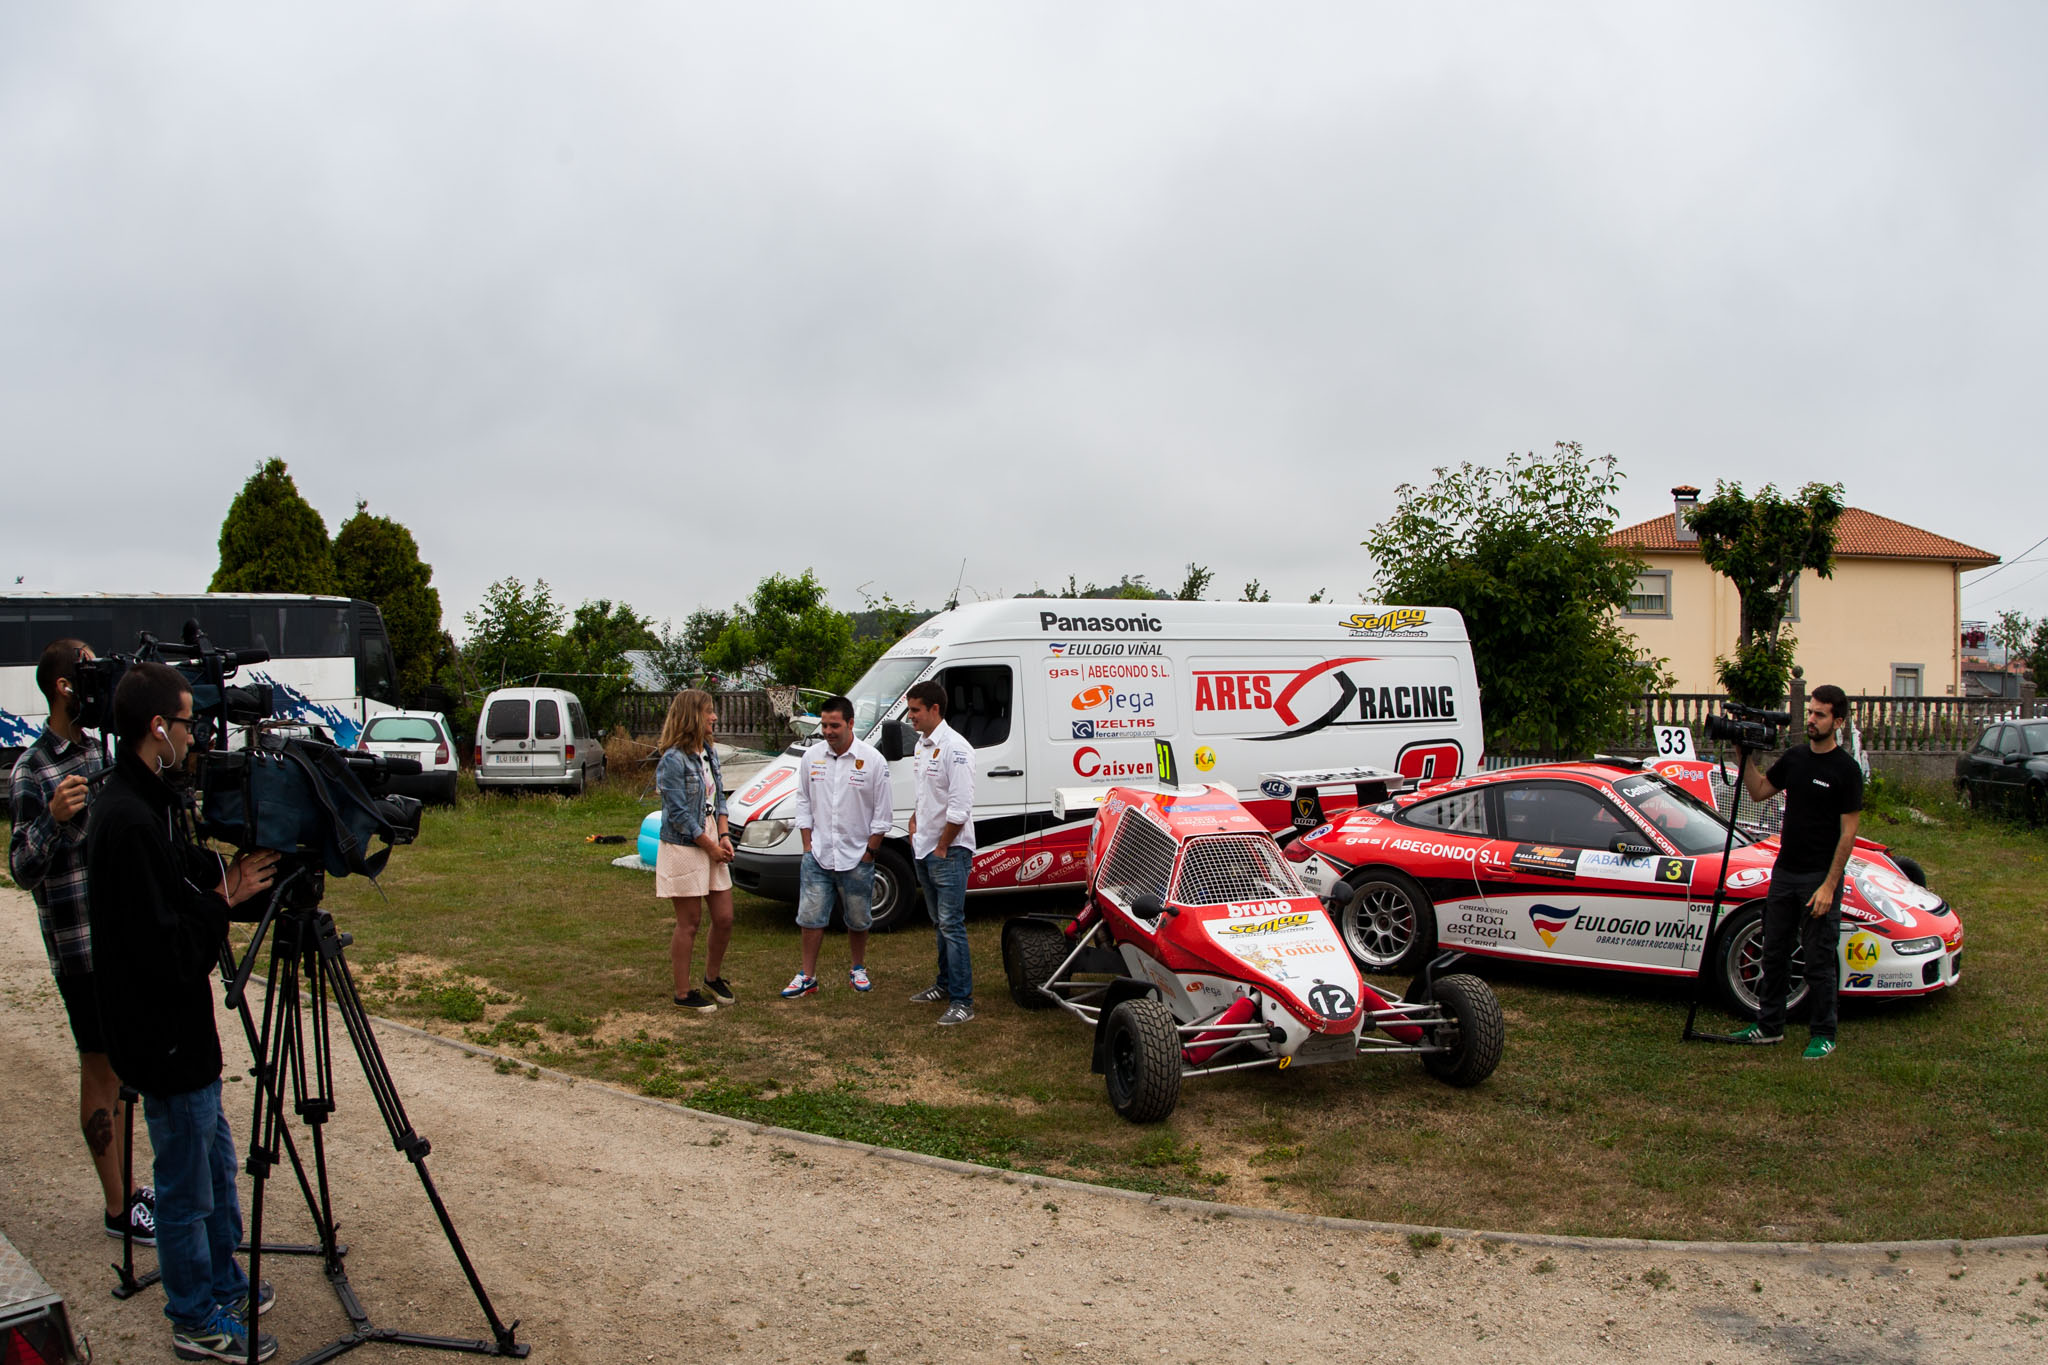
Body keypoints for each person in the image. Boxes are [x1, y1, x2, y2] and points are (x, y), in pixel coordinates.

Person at [86, 661, 283, 1363]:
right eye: (186, 722)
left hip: (183, 1037)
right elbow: (165, 947)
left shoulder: (148, 803)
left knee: (217, 1167)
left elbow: (179, 882)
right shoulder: (126, 819)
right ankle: (194, 1316)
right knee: (186, 1187)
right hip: (162, 1035)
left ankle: (222, 1283)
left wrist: (221, 879)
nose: (195, 735)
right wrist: (224, 897)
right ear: (156, 728)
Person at [7, 640, 153, 1244]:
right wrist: (54, 818)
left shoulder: (104, 753)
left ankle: (132, 1185)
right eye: (90, 670)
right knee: (100, 1067)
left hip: (125, 939)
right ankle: (118, 1207)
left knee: (129, 1068)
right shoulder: (32, 768)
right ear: (66, 686)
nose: (103, 680)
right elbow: (21, 868)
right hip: (81, 950)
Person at [1737, 684, 1864, 1060]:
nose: (1811, 719)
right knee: (1774, 952)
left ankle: (1824, 1033)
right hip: (1785, 873)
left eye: (1820, 714)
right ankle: (1769, 1026)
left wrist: (1829, 886)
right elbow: (1759, 790)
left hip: (1818, 878)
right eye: (1810, 712)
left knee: (1818, 960)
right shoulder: (1794, 758)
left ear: (1838, 721)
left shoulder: (1846, 770)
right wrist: (1743, 755)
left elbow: (1849, 833)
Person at [781, 696, 892, 999]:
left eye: (835, 726)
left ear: (850, 723)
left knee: (858, 918)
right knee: (810, 917)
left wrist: (870, 852)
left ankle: (858, 968)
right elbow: (803, 801)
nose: (828, 732)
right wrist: (807, 845)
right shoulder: (811, 757)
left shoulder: (873, 760)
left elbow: (882, 814)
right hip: (818, 854)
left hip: (857, 856)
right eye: (825, 725)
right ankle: (807, 976)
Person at [654, 689, 735, 1013]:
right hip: (684, 843)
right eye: (708, 711)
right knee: (689, 921)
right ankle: (683, 993)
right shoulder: (672, 759)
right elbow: (678, 813)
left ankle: (712, 978)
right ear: (692, 716)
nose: (714, 717)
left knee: (725, 917)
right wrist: (709, 846)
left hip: (712, 835)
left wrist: (724, 835)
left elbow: (720, 796)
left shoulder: (709, 752)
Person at [903, 680, 976, 1025]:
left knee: (951, 925)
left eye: (915, 710)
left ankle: (963, 1001)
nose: (910, 716)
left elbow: (960, 808)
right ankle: (944, 984)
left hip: (948, 852)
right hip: (925, 848)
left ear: (935, 709)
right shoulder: (922, 745)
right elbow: (929, 794)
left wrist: (943, 845)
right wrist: (915, 820)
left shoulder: (956, 748)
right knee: (940, 924)